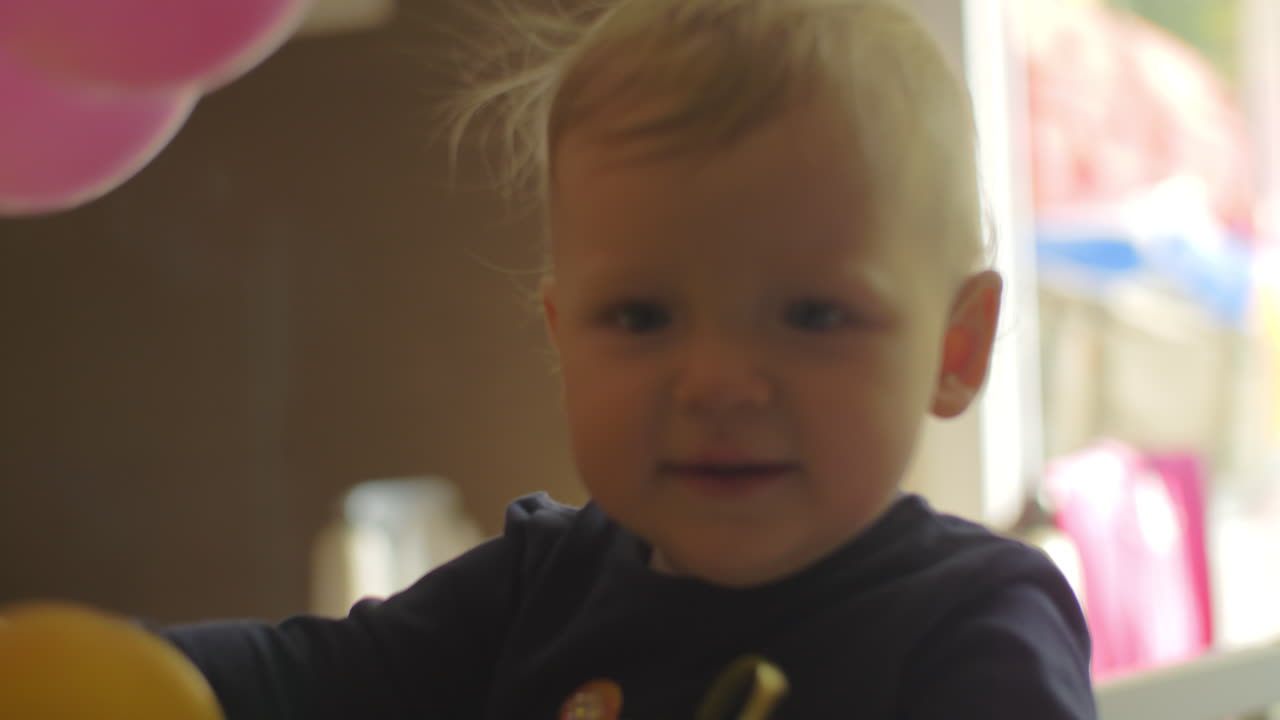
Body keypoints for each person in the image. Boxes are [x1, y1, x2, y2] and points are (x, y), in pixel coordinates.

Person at [162, 1, 1096, 717]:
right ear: (563, 336)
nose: (719, 383)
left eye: (813, 314)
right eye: (643, 316)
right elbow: (293, 685)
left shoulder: (972, 627)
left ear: (955, 346)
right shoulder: (539, 587)